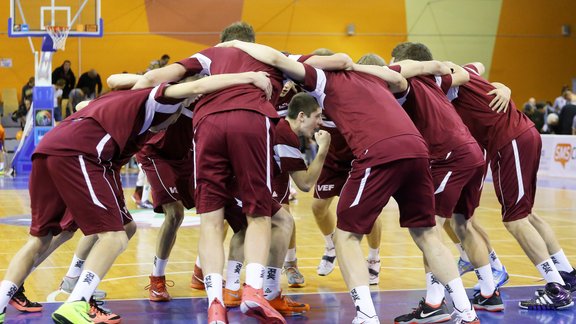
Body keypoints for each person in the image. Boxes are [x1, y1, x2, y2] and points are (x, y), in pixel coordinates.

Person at [217, 40, 481, 324]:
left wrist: (238, 44)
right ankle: (466, 313)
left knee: (347, 236)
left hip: (379, 152)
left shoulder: (321, 79)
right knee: (427, 234)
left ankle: (366, 315)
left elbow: (276, 58)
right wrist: (440, 66)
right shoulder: (377, 74)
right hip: (417, 150)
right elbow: (414, 69)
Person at [0, 71, 274, 324]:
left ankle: (2, 301)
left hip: (51, 147)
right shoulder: (159, 101)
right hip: (80, 153)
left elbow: (108, 86)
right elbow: (199, 85)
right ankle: (76, 301)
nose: (170, 124)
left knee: (47, 237)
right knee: (114, 236)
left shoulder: (124, 98)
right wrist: (247, 76)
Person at [397, 42, 576, 310]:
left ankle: (556, 288)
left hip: (508, 138)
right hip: (517, 136)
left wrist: (500, 86)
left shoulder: (437, 79)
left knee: (515, 221)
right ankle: (566, 275)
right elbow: (476, 67)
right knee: (526, 216)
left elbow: (465, 74)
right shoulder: (445, 78)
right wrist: (503, 86)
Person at [382, 49, 505, 322]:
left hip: (449, 156)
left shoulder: (406, 82)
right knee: (463, 224)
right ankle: (489, 291)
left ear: (407, 61)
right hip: (472, 153)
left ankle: (435, 303)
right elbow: (474, 66)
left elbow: (392, 73)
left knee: (429, 231)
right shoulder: (438, 81)